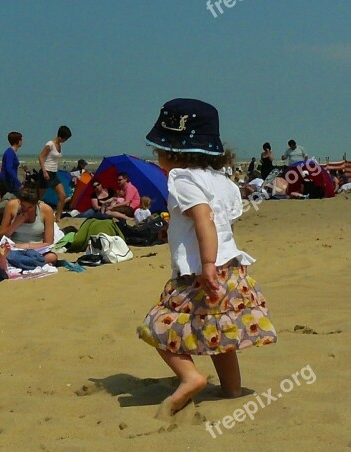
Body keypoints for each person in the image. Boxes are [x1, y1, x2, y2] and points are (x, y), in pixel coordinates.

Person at [138, 98, 276, 416]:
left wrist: (208, 263)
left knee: (156, 327)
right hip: (233, 272)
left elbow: (204, 218)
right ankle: (232, 389)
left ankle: (190, 377)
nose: (156, 156)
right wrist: (173, 232)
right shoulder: (224, 182)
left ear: (175, 150)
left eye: (159, 149)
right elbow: (218, 219)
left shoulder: (182, 178)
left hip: (201, 272)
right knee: (219, 334)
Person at [0, 184, 58, 265]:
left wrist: (26, 246)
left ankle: (23, 262)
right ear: (19, 201)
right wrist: (15, 225)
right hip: (14, 248)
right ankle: (30, 263)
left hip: (36, 248)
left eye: (30, 207)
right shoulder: (11, 206)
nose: (26, 210)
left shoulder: (46, 210)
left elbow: (48, 243)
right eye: (23, 206)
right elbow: (1, 236)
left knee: (52, 257)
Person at [38, 126, 72, 221]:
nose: (66, 140)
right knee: (38, 198)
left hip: (54, 173)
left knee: (62, 196)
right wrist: (44, 171)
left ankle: (57, 217)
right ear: (61, 137)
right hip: (46, 173)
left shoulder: (59, 145)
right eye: (66, 138)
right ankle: (35, 215)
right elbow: (41, 157)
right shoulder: (50, 144)